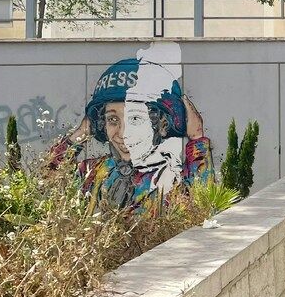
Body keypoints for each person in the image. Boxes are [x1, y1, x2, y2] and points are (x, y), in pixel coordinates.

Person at [51, 45, 212, 213]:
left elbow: (200, 204)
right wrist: (79, 135)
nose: (123, 134)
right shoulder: (94, 172)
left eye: (135, 119)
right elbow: (48, 181)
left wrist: (197, 140)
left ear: (162, 126)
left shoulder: (171, 178)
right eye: (112, 119)